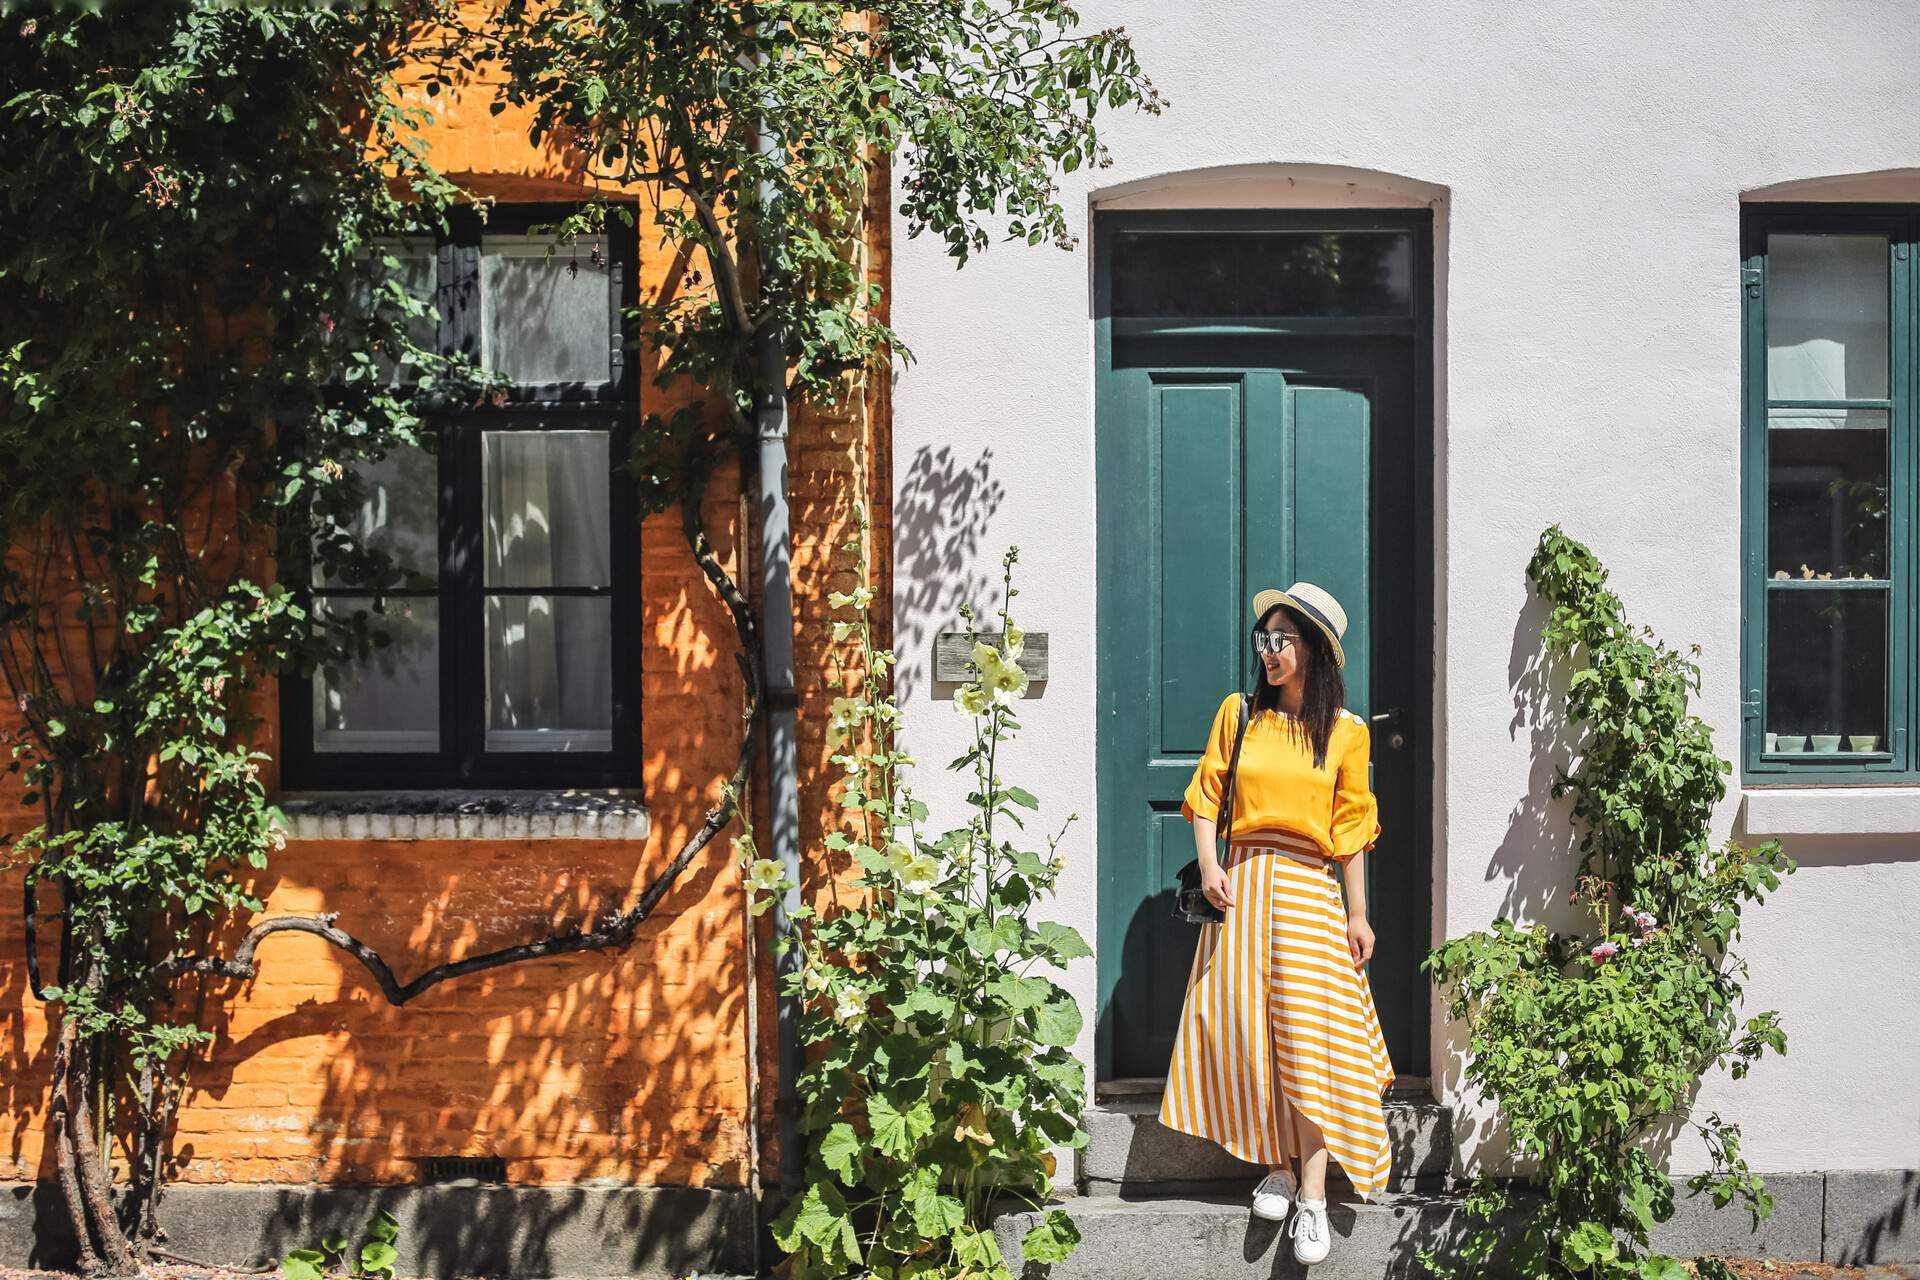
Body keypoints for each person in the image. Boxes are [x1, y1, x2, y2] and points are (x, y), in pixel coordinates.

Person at [1157, 583, 1394, 1265]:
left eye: (1281, 639)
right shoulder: (1239, 715)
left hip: (1312, 891)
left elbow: (1350, 828)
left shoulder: (1346, 732)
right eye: (1263, 639)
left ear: (1314, 651)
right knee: (1252, 1034)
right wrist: (1209, 866)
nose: (1268, 651)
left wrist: (1358, 912)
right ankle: (1279, 1170)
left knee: (1312, 1038)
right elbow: (1206, 795)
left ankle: (1314, 1195)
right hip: (1246, 882)